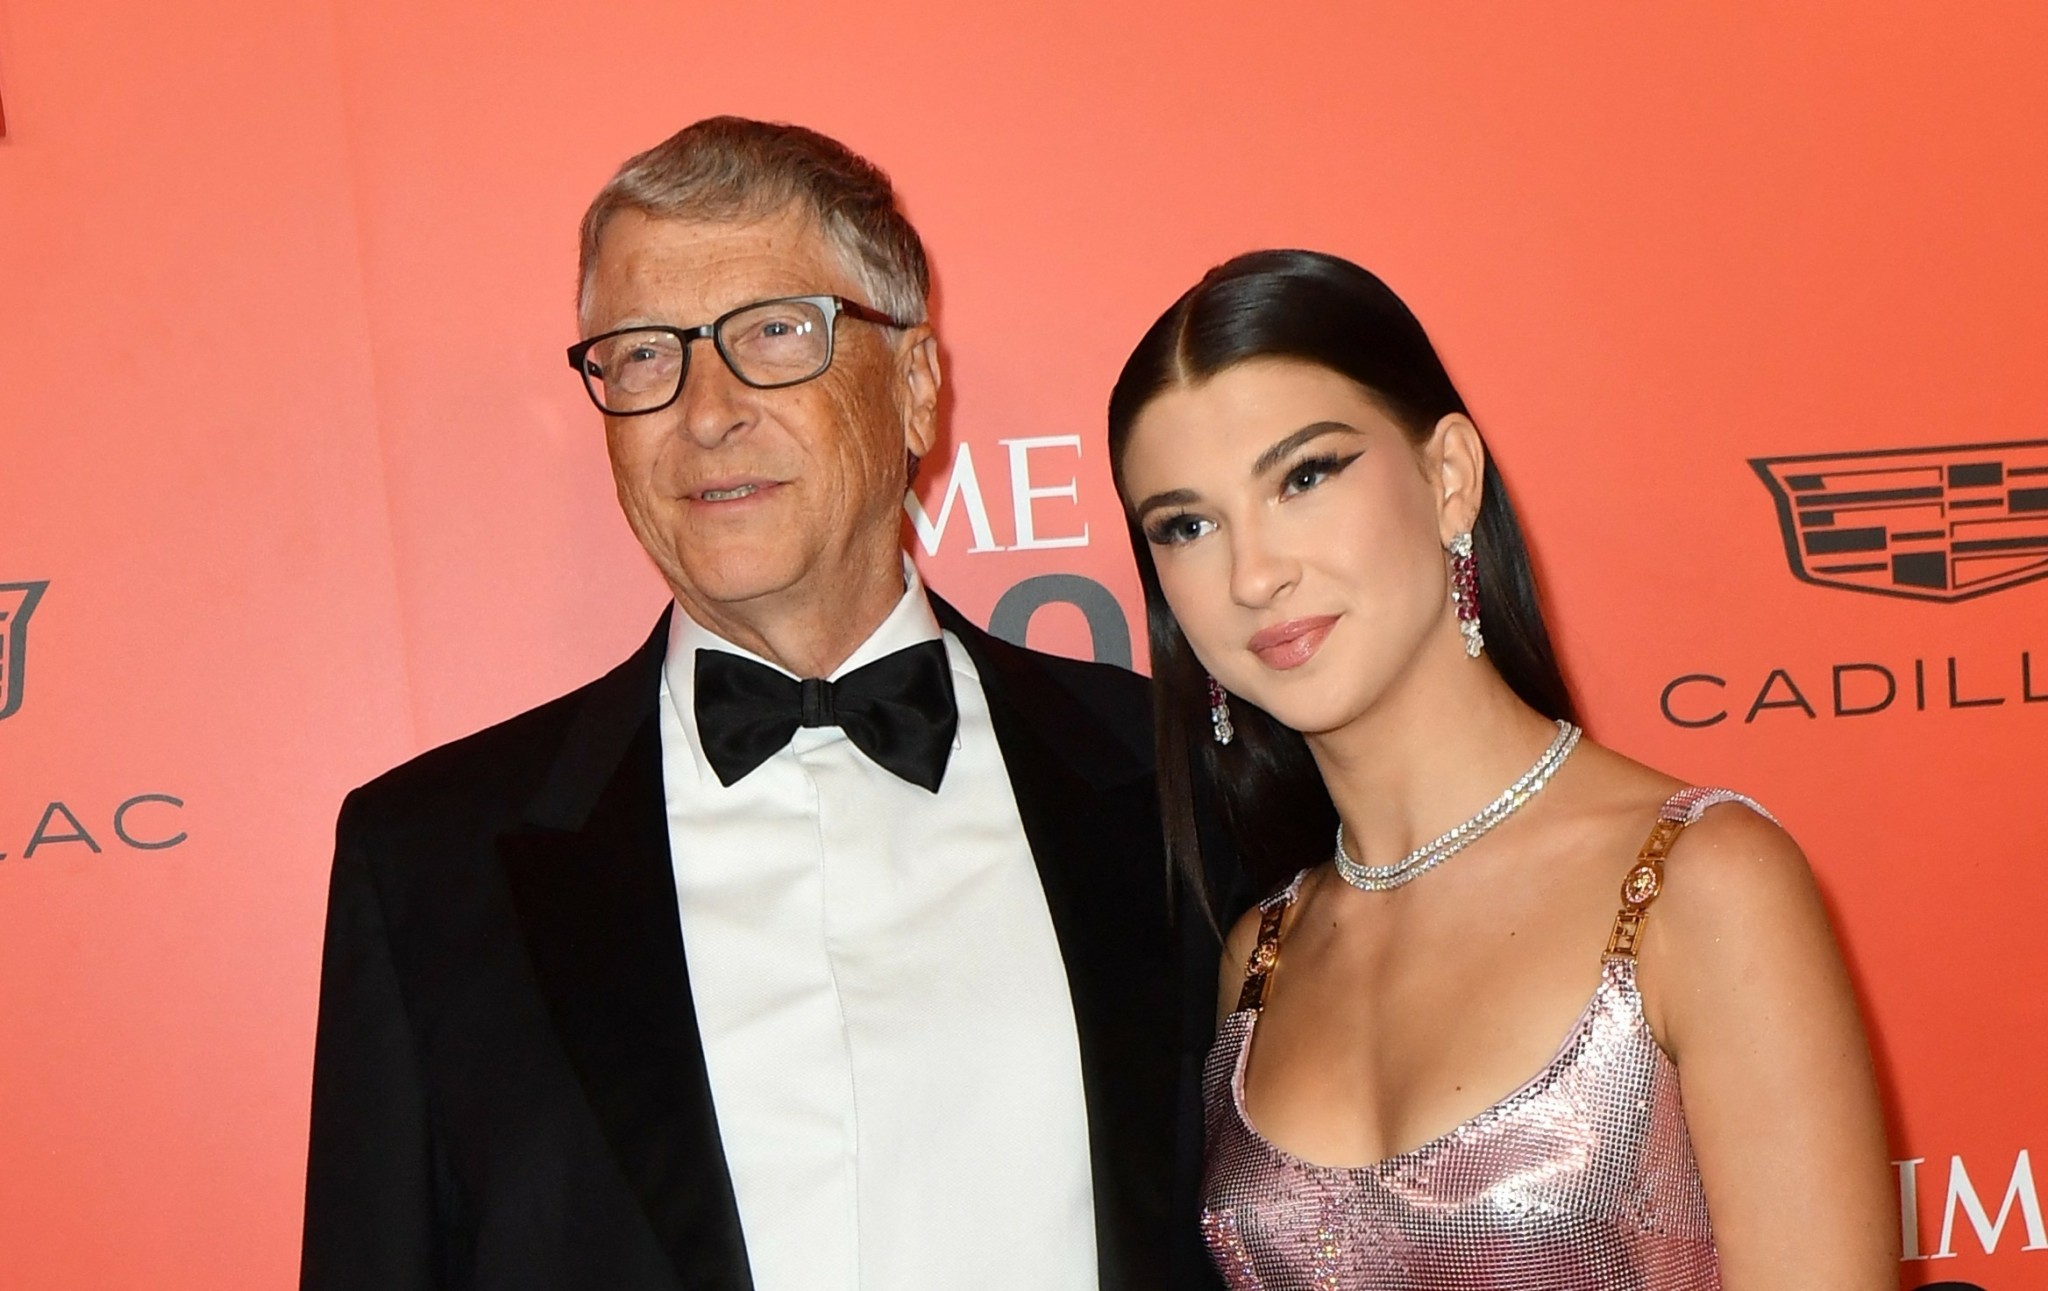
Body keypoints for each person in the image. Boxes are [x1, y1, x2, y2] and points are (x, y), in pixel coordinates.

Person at [301, 117, 1232, 1291]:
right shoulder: (427, 864)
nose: (706, 411)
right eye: (644, 354)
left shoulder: (1177, 779)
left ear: (914, 387)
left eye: (775, 332)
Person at [1106, 249, 1895, 1288]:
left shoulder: (1698, 882)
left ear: (1448, 477)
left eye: (1304, 477)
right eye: (1187, 525)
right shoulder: (1260, 959)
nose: (1253, 574)